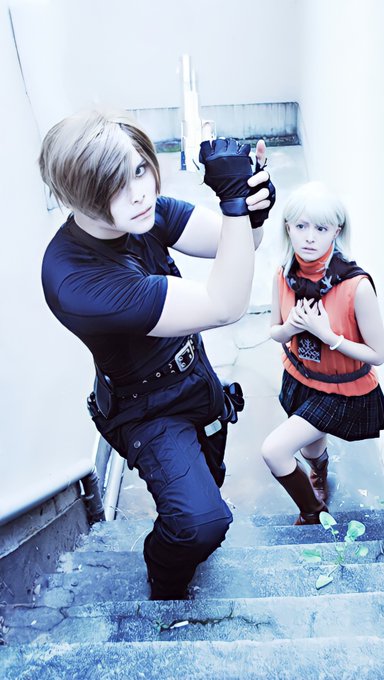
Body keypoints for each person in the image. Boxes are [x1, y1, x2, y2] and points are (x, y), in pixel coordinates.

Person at [39, 109, 276, 599]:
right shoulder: (74, 279)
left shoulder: (143, 212)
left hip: (197, 378)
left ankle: (183, 543)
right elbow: (224, 305)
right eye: (113, 185)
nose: (139, 193)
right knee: (200, 523)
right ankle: (164, 580)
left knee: (209, 480)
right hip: (146, 408)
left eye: (140, 169)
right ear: (76, 194)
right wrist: (233, 205)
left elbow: (236, 245)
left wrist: (250, 207)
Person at [261, 181, 384, 525]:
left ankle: (313, 512)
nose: (309, 237)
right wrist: (291, 327)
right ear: (287, 227)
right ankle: (318, 472)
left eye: (320, 228)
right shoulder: (283, 274)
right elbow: (275, 331)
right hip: (300, 374)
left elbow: (377, 354)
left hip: (341, 389)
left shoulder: (356, 286)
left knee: (274, 450)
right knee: (310, 445)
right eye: (301, 226)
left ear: (337, 230)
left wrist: (328, 336)